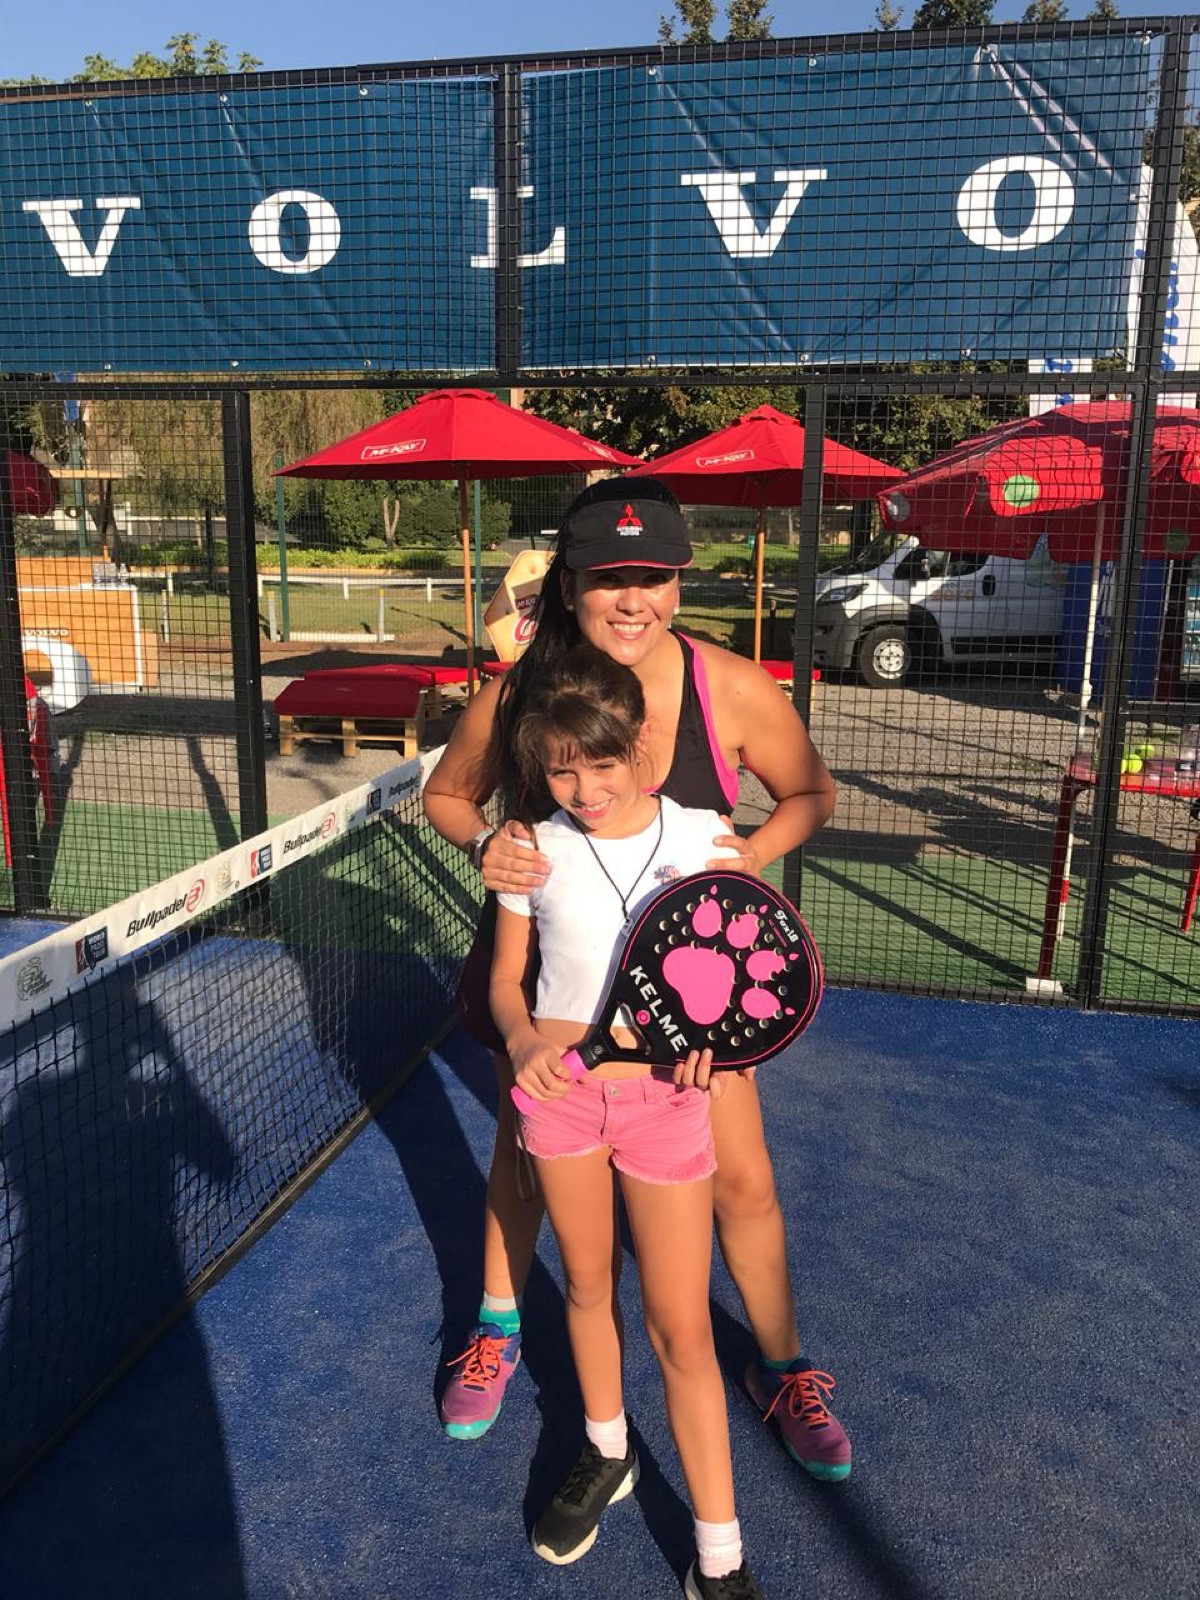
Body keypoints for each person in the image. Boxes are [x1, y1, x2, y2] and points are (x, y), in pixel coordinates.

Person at [423, 477, 849, 1482]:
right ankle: (497, 1327)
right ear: (570, 583)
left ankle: (782, 1367)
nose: (632, 599)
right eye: (609, 577)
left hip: (690, 1007)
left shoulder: (729, 687)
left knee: (742, 1176)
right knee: (521, 1161)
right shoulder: (521, 694)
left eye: (653, 577)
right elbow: (447, 796)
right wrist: (484, 843)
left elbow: (810, 791)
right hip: (547, 990)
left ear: (678, 581)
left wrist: (752, 856)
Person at [490, 642, 762, 1597]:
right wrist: (521, 1039)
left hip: (665, 1106)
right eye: (561, 769)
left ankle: (720, 1552)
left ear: (640, 742)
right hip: (561, 1100)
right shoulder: (531, 847)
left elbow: (745, 978)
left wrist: (720, 1048)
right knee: (586, 1285)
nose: (585, 789)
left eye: (601, 763)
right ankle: (607, 1450)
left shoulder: (703, 838)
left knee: (682, 1329)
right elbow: (506, 982)